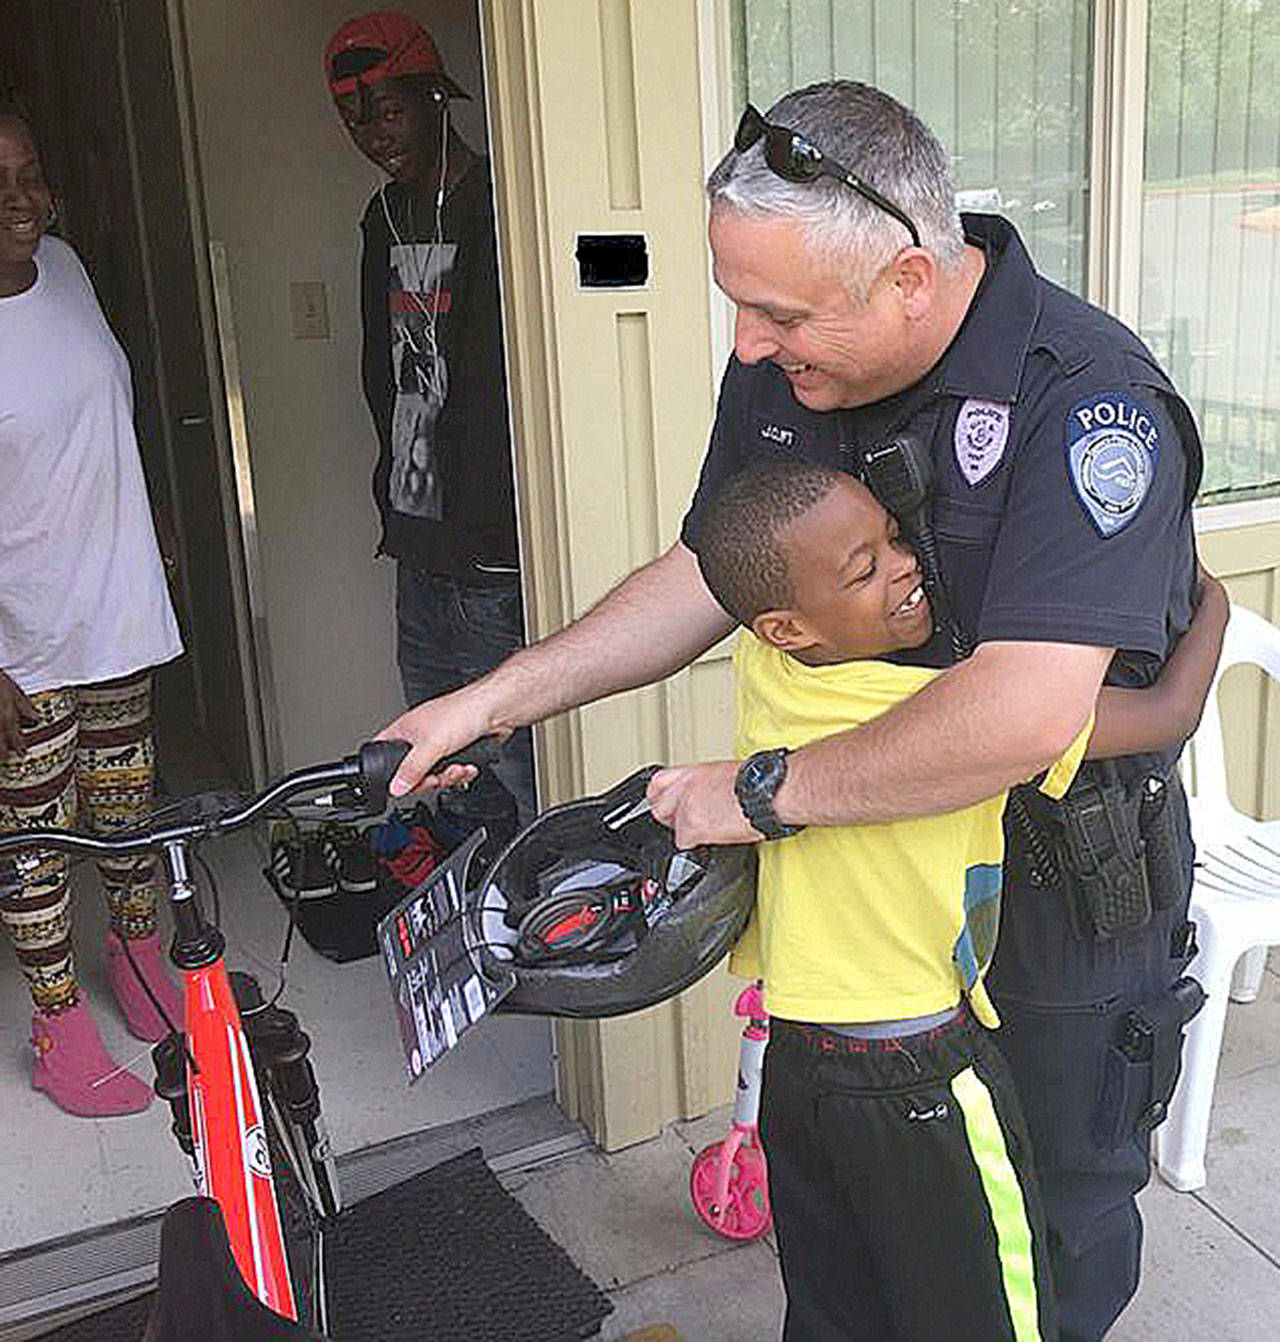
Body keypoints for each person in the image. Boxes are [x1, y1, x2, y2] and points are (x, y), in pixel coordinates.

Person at [379, 81, 1206, 1339]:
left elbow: (1023, 713)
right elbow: (709, 576)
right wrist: (492, 701)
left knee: (1035, 1251)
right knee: (846, 1260)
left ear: (909, 280)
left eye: (777, 313)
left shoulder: (1083, 399)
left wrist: (761, 794)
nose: (749, 342)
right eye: (737, 304)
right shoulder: (790, 371)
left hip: (1050, 903)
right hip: (859, 924)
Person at [694, 458, 1225, 1340]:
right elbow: (1168, 713)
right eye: (864, 569)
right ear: (787, 625)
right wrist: (1211, 605)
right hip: (916, 1069)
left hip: (797, 1054)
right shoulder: (942, 711)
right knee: (991, 1311)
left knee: (836, 1305)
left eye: (895, 537)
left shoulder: (766, 667)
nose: (904, 564)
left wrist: (852, 580)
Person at [0, 106, 184, 1117]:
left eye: (30, 174)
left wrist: (149, 513)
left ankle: (138, 960)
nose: (21, 199)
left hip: (113, 600)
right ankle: (59, 1029)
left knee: (125, 807)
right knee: (34, 842)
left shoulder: (66, 269)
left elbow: (102, 409)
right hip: (24, 634)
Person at [323, 10, 534, 821]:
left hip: (490, 549)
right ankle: (468, 893)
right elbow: (383, 375)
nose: (374, 135)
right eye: (356, 121)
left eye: (389, 111)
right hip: (417, 539)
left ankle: (533, 895)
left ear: (436, 98)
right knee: (437, 766)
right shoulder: (384, 219)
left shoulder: (500, 206)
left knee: (515, 766)